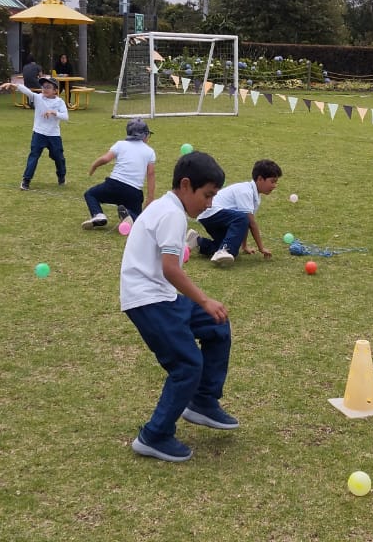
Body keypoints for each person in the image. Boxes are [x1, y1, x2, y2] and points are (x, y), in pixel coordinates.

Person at [121, 151, 234, 463]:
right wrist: (204, 299)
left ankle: (202, 401)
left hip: (162, 295)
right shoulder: (171, 214)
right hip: (147, 300)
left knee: (217, 325)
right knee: (187, 365)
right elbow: (171, 268)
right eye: (207, 195)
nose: (210, 203)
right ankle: (154, 436)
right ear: (186, 185)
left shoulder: (167, 208)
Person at [194, 159, 282, 266]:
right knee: (242, 219)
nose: (274, 185)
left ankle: (198, 241)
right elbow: (250, 222)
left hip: (210, 216)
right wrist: (261, 248)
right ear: (259, 179)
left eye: (276, 182)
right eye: (272, 181)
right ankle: (223, 251)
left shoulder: (255, 196)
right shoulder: (246, 191)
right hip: (211, 213)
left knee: (232, 246)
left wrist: (244, 246)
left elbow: (244, 225)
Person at [82, 119, 157, 229]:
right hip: (134, 192)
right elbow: (151, 174)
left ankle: (98, 214)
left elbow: (105, 158)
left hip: (114, 185)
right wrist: (150, 197)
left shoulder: (120, 144)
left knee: (90, 194)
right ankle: (128, 215)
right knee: (138, 218)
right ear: (144, 135)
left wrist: (94, 165)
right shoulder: (150, 151)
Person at [0, 76, 69, 190]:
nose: (44, 89)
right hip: (39, 134)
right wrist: (14, 86)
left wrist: (54, 112)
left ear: (55, 90)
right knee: (34, 156)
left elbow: (66, 117)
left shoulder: (60, 102)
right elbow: (27, 91)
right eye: (43, 86)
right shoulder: (38, 97)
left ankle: (61, 177)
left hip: (54, 135)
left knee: (58, 157)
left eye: (48, 87)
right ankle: (26, 181)